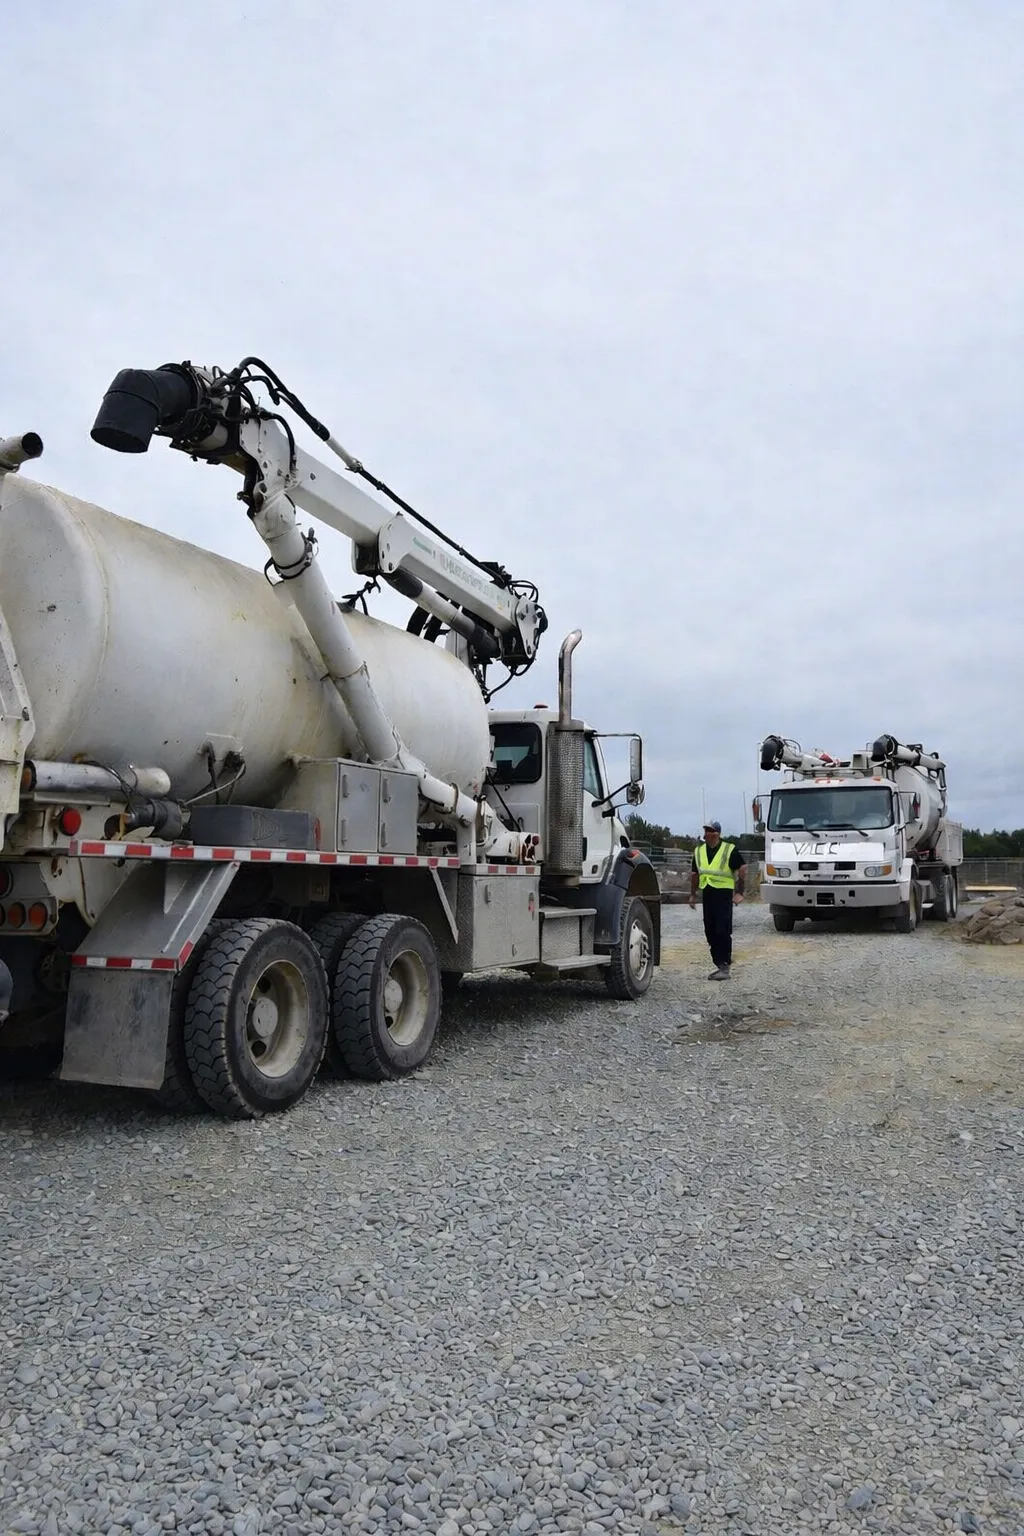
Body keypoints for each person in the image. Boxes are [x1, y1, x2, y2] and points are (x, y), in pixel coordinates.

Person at [689, 821, 747, 980]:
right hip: (707, 892)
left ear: (717, 833)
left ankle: (724, 965)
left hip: (723, 894)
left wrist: (740, 892)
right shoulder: (699, 851)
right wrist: (692, 895)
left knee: (722, 929)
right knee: (710, 929)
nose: (707, 833)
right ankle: (719, 961)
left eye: (710, 830)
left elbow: (742, 867)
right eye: (706, 830)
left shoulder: (729, 849)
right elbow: (694, 874)